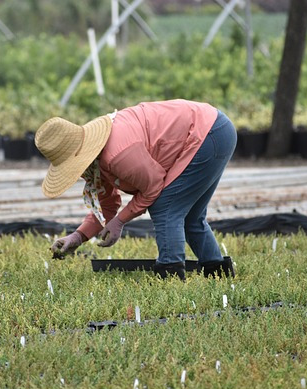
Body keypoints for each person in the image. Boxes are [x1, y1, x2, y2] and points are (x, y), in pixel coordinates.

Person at [35, 99, 236, 280]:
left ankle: (171, 276)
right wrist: (77, 237)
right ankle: (216, 273)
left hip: (208, 134)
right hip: (214, 130)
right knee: (191, 216)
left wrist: (120, 221)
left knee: (165, 206)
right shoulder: (97, 158)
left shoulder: (116, 154)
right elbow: (108, 203)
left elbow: (153, 187)